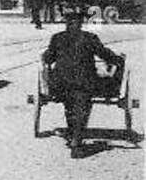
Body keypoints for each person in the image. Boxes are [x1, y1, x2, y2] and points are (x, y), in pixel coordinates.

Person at [42, 8, 124, 155]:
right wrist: (118, 59)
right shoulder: (90, 37)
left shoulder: (57, 38)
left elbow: (48, 59)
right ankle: (76, 139)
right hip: (84, 81)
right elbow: (105, 54)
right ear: (81, 23)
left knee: (69, 105)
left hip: (61, 82)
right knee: (83, 106)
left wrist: (49, 54)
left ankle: (73, 134)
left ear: (66, 23)